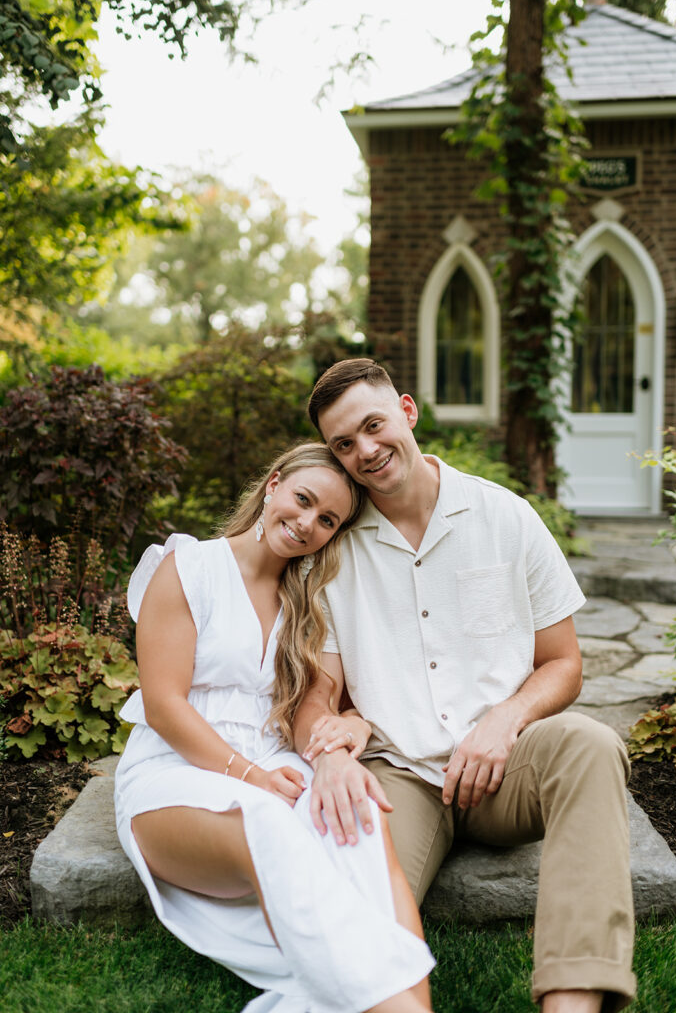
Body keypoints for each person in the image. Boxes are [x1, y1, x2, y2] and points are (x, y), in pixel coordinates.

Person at [293, 360, 636, 1013]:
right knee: (354, 919)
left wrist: (504, 721)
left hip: (506, 767)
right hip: (398, 775)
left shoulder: (506, 517)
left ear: (407, 411)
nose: (365, 450)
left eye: (374, 425)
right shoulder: (332, 550)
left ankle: (571, 1002)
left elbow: (564, 662)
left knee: (591, 745)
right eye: (344, 444)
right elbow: (319, 693)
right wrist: (331, 756)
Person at [114, 442, 435, 1013]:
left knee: (354, 812)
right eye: (303, 500)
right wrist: (252, 777)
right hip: (174, 769)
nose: (308, 523)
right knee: (269, 820)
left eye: (327, 519)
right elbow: (163, 705)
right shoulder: (189, 567)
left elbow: (322, 703)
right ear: (273, 485)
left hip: (274, 759)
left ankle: (415, 1005)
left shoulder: (308, 601)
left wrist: (349, 729)